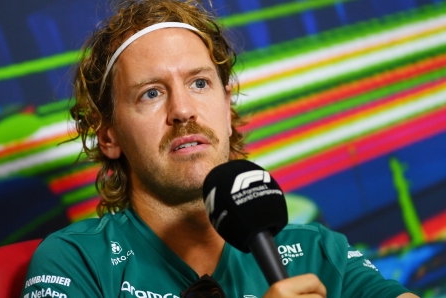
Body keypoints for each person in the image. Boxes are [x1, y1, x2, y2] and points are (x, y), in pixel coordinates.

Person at [21, 1, 418, 297]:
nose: (182, 111)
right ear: (109, 136)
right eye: (151, 93)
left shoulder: (317, 250)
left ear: (227, 108)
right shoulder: (75, 262)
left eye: (199, 83)